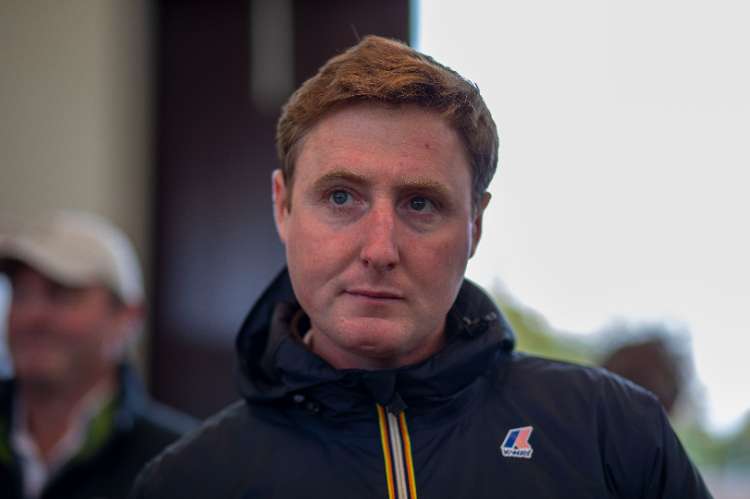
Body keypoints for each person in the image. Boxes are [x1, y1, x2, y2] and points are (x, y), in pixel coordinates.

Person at [130, 36, 711, 498]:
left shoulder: (613, 434)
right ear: (282, 206)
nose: (380, 248)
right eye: (341, 197)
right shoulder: (188, 482)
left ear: (475, 225)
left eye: (421, 204)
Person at [0, 211, 196, 499]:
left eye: (61, 294)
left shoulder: (182, 463)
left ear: (128, 317)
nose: (32, 315)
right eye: (21, 294)